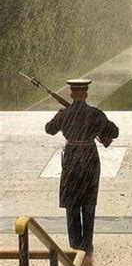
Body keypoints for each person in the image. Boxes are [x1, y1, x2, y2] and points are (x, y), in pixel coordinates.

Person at [45, 79, 119, 253]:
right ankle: (87, 243)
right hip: (89, 158)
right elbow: (114, 132)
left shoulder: (64, 114)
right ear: (86, 94)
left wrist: (61, 115)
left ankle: (75, 243)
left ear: (71, 94)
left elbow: (49, 129)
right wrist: (98, 130)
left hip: (71, 158)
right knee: (88, 201)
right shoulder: (95, 114)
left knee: (72, 202)